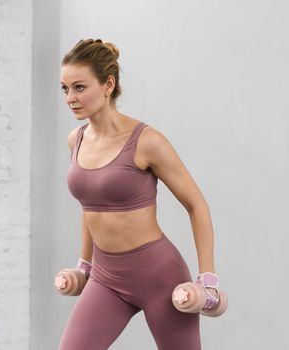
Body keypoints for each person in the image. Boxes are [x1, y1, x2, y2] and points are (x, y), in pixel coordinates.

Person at [56, 39, 221, 350]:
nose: (70, 98)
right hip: (106, 278)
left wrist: (208, 279)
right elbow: (90, 206)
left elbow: (196, 204)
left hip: (159, 276)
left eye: (79, 87)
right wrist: (84, 264)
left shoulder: (146, 141)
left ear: (108, 85)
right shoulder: (75, 140)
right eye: (64, 89)